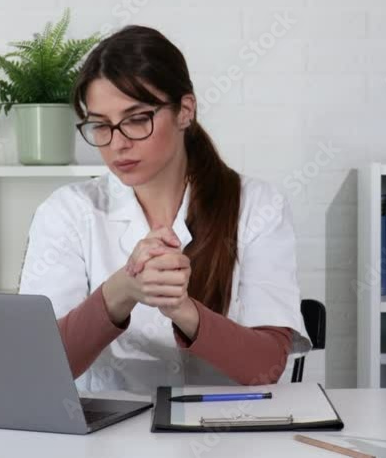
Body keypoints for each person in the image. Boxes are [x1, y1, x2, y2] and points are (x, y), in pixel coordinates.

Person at [18, 25, 310, 393]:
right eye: (101, 126)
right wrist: (121, 290)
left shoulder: (258, 205)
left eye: (137, 119)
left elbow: (266, 367)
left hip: (224, 424)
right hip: (111, 428)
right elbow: (41, 365)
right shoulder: (67, 211)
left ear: (185, 111)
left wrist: (184, 311)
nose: (118, 144)